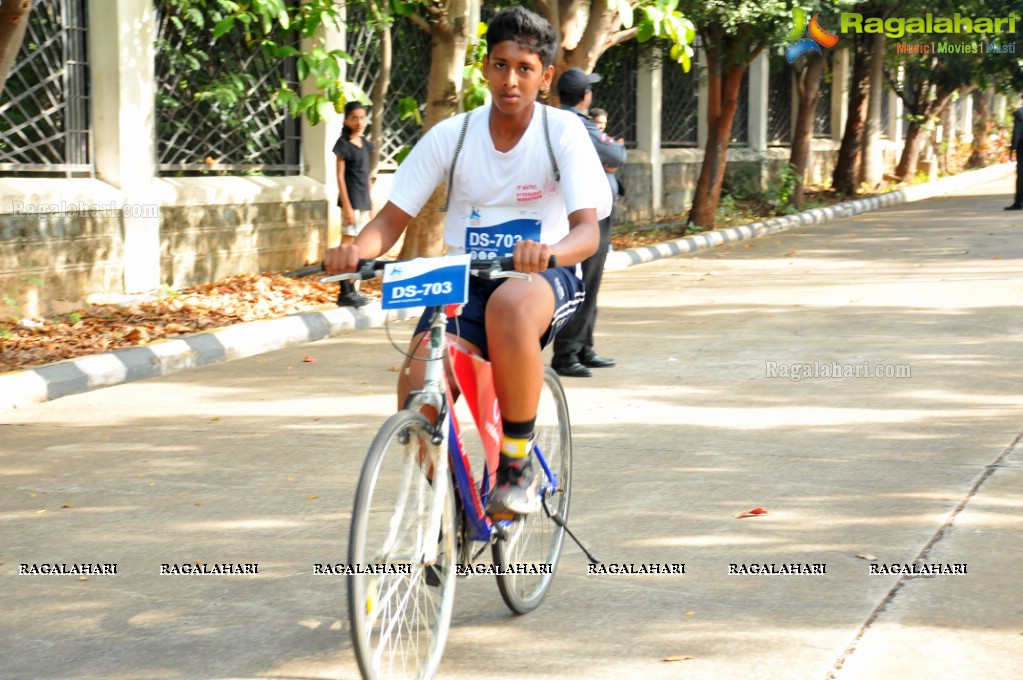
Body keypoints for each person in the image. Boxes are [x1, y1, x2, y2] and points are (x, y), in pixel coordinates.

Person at [323, 7, 611, 515]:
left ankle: (515, 465)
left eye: (525, 68)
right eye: (501, 65)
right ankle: (452, 506)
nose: (511, 80)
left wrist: (550, 253)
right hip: (462, 280)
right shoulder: (452, 136)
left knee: (511, 307)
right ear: (484, 67)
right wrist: (354, 250)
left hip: (544, 275)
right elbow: (389, 221)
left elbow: (587, 231)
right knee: (417, 388)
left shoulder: (561, 133)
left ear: (545, 77)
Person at [551, 68, 626, 378]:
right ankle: (567, 353)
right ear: (585, 97)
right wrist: (610, 157)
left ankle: (582, 346)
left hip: (575, 208)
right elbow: (616, 154)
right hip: (588, 213)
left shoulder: (555, 120)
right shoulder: (577, 123)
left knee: (589, 279)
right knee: (585, 279)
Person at [333, 101, 375, 306]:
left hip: (363, 201)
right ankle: (345, 291)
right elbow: (340, 178)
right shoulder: (343, 145)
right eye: (354, 118)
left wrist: (371, 205)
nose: (359, 122)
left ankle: (354, 288)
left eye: (362, 117)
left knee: (358, 247)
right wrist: (347, 207)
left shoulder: (365, 144)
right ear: (346, 120)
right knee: (347, 247)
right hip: (351, 202)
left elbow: (366, 176)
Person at [1006, 102, 1023, 211]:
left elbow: (1017, 131)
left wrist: (1013, 146)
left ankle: (1018, 202)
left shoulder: (1019, 113)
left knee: (1021, 175)